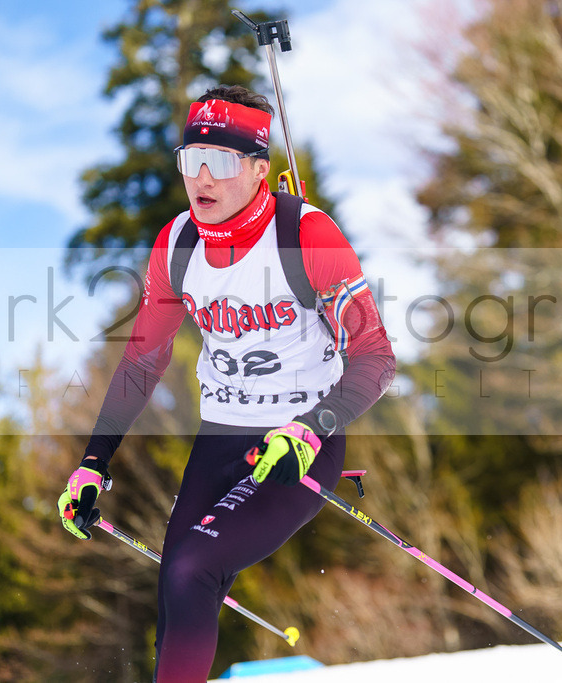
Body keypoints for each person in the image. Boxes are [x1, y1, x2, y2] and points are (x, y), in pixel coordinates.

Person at [57, 85, 396, 682]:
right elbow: (141, 363)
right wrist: (93, 462)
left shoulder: (306, 235)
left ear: (260, 169)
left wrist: (312, 428)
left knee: (192, 568)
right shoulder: (177, 246)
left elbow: (376, 357)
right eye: (191, 159)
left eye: (221, 161)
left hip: (299, 441)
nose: (202, 178)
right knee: (176, 585)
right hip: (219, 439)